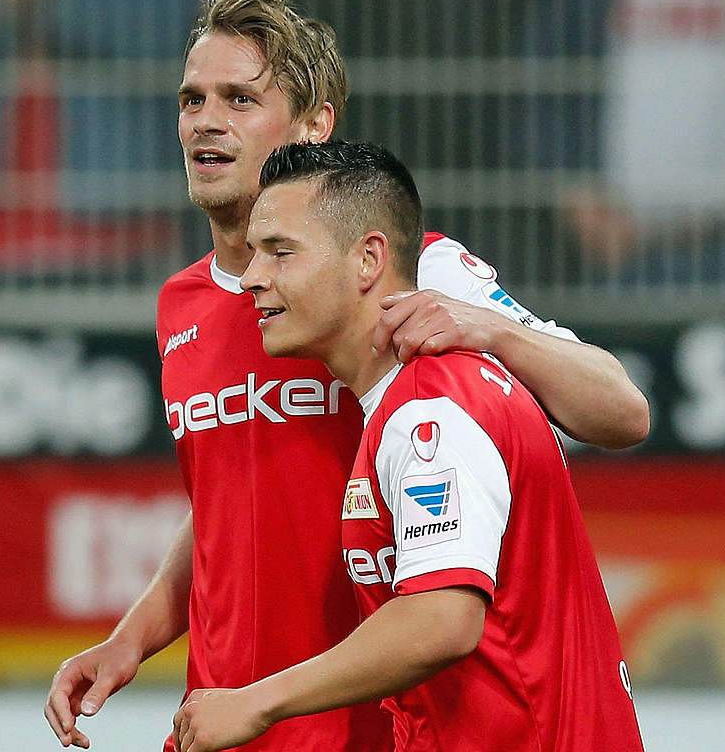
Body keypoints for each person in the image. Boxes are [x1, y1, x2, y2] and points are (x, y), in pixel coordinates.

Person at [44, 0, 649, 749]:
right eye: (192, 99)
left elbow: (623, 412)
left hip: (363, 718)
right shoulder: (182, 304)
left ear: (314, 126)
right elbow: (227, 496)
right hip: (230, 716)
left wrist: (491, 329)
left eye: (240, 99)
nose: (206, 120)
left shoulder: (410, 272)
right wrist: (130, 640)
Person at [171, 140, 644, 752]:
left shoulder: (430, 412)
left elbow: (441, 622)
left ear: (370, 261)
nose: (255, 278)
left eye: (281, 254)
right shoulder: (407, 400)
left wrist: (258, 703)